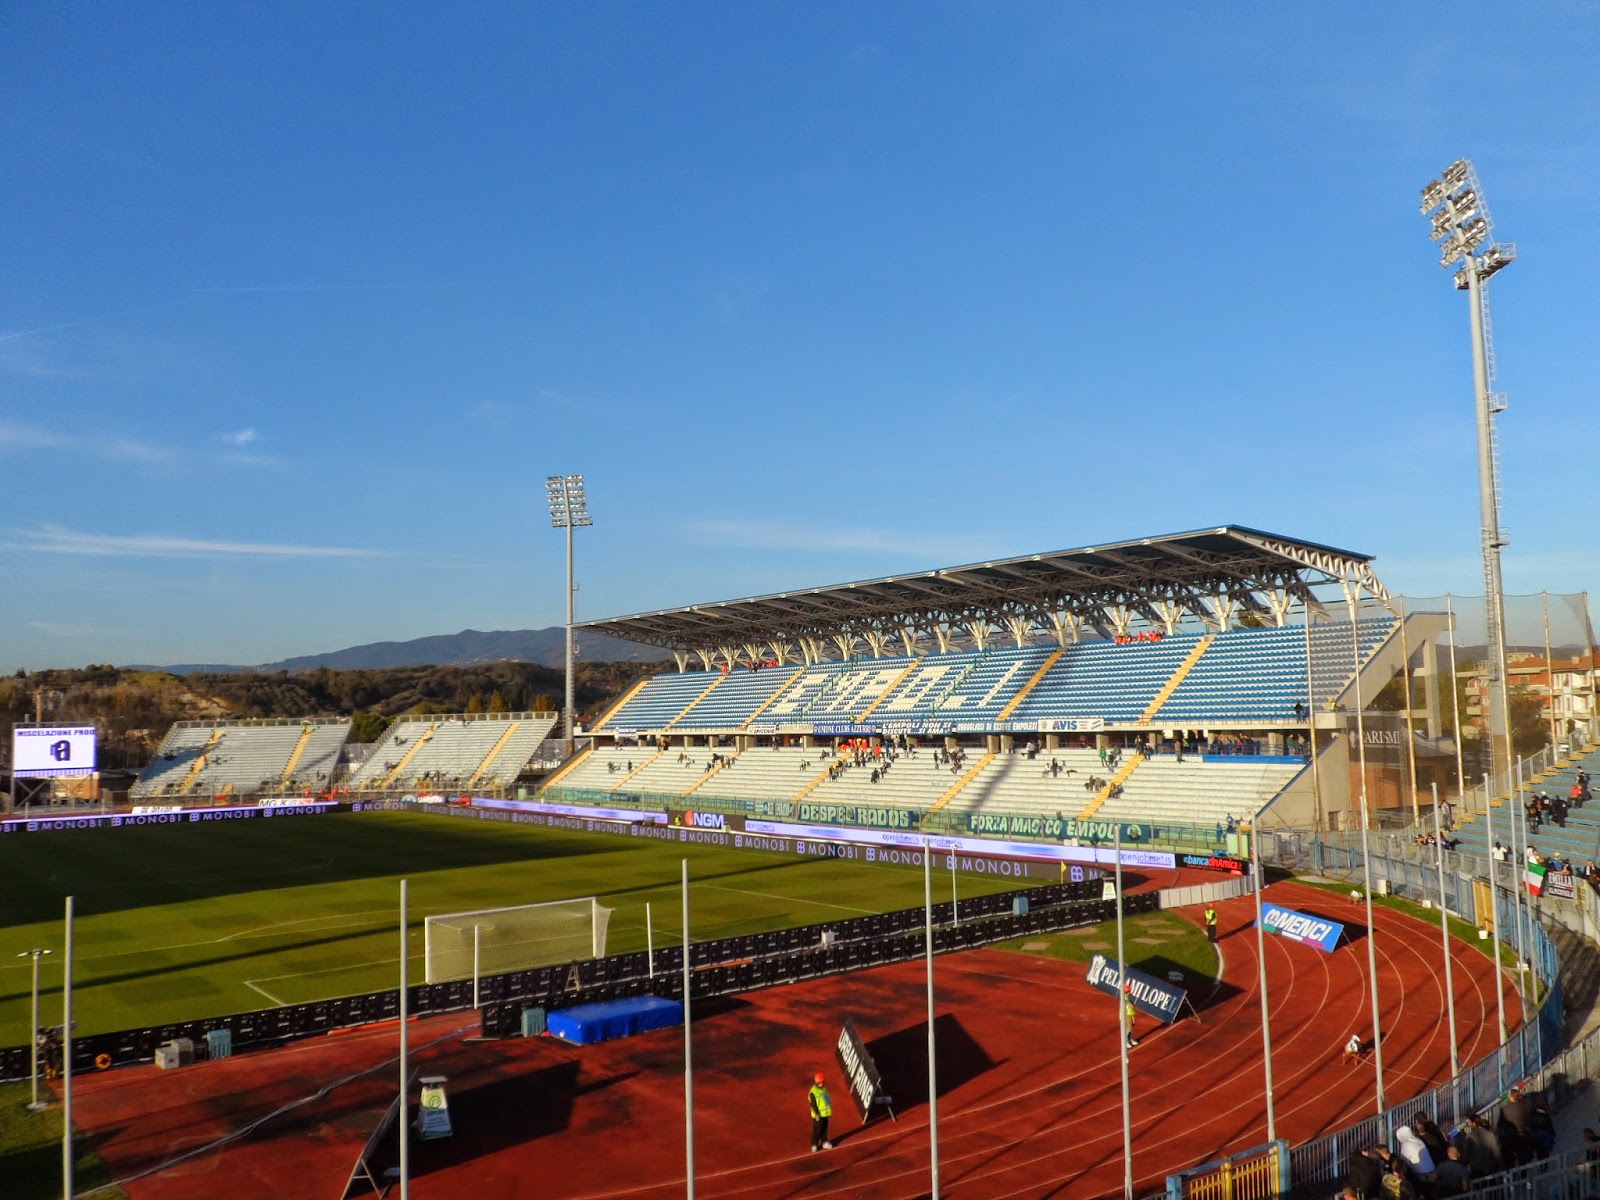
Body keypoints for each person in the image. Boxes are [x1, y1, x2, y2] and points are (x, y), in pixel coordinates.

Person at [808, 1073, 833, 1152]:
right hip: (818, 1115)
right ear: (816, 1082)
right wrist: (816, 1114)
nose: (822, 1084)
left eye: (822, 1082)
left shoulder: (824, 1089)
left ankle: (824, 1142)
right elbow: (813, 1104)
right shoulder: (813, 1092)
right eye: (820, 1082)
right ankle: (814, 1144)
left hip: (825, 1114)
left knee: (824, 1129)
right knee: (817, 1130)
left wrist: (829, 1107)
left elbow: (827, 1099)